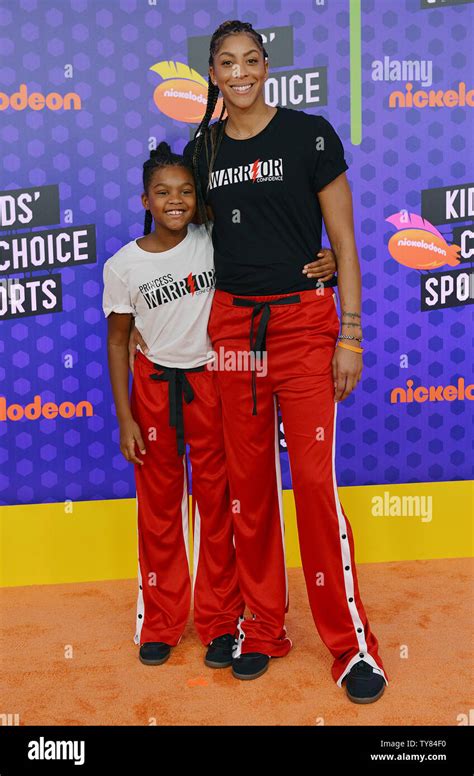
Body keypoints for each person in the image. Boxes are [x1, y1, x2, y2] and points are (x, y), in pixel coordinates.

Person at [128, 22, 382, 702]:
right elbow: (189, 237)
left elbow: (344, 239)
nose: (239, 73)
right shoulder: (203, 148)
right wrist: (147, 310)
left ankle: (351, 645)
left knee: (313, 489)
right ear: (213, 73)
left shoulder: (310, 135)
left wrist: (349, 331)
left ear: (266, 66)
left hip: (303, 325)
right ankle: (263, 626)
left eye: (250, 60)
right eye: (226, 63)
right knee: (249, 490)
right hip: (233, 329)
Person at [102, 142, 246, 669]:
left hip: (211, 385)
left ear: (198, 199)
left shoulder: (211, 242)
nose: (175, 200)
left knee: (217, 507)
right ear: (145, 199)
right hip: (155, 392)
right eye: (163, 192)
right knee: (160, 512)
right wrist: (125, 417)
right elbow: (119, 341)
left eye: (186, 191)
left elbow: (266, 248)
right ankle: (161, 621)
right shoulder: (123, 265)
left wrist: (324, 258)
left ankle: (218, 622)